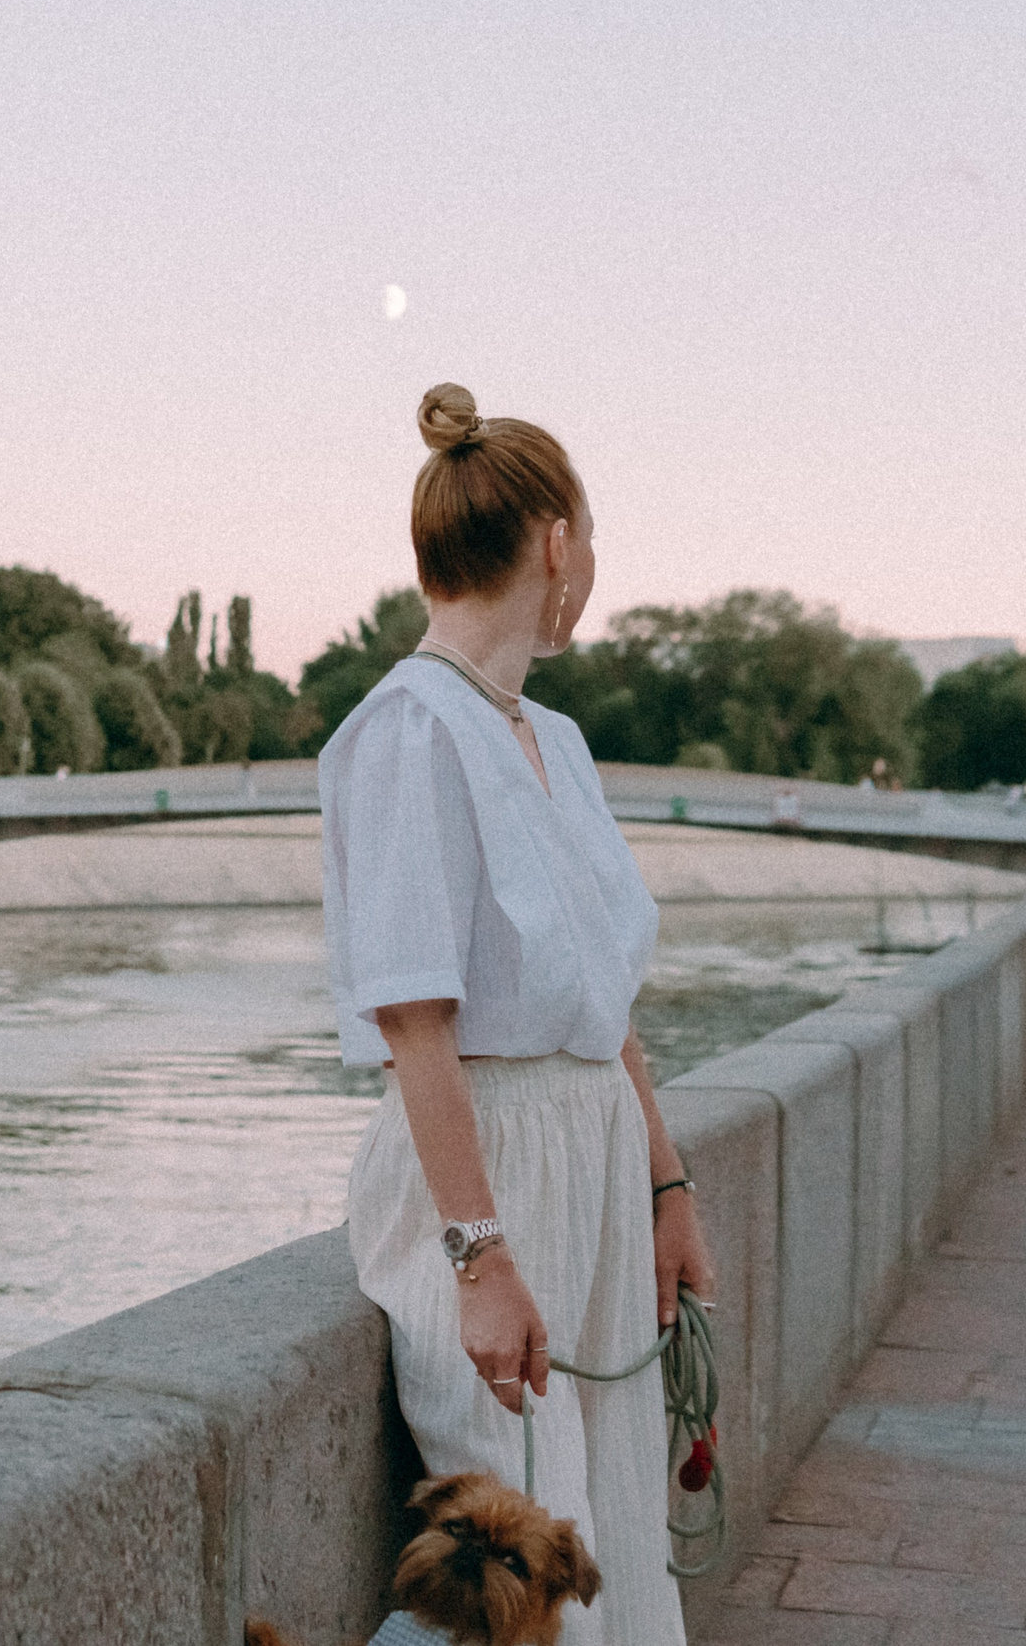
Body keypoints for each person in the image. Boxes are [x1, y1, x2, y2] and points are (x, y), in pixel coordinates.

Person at [320, 384, 717, 1646]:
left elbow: (602, 1000)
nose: (591, 566)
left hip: (590, 1148)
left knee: (602, 1531)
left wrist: (663, 1185)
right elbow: (414, 1021)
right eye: (589, 539)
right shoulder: (402, 732)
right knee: (514, 1555)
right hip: (478, 1167)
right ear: (554, 541)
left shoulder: (553, 735)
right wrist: (479, 1261)